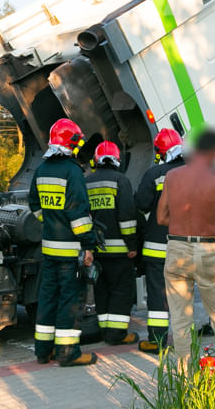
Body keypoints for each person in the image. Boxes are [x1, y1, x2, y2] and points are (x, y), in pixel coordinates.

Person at [156, 129, 215, 373]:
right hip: (208, 249)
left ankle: (184, 378)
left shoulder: (172, 177)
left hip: (177, 248)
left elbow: (161, 217)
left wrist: (183, 218)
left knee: (181, 321)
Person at [29, 118, 98, 366]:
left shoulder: (41, 170)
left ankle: (42, 351)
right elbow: (79, 216)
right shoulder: (73, 172)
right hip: (69, 252)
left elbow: (34, 206)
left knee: (47, 298)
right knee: (69, 300)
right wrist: (88, 245)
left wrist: (50, 221)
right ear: (71, 143)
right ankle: (68, 354)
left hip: (48, 249)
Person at [135, 128, 185, 352]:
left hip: (158, 247)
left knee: (158, 294)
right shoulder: (195, 173)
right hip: (188, 247)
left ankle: (157, 341)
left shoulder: (154, 174)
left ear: (160, 151)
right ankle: (184, 340)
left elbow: (142, 204)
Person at [86, 141, 141, 345]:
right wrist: (132, 245)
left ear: (96, 160)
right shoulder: (121, 181)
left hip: (96, 251)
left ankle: (105, 331)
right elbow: (127, 216)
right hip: (120, 252)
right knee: (121, 291)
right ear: (117, 160)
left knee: (102, 292)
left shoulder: (86, 181)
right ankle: (117, 335)